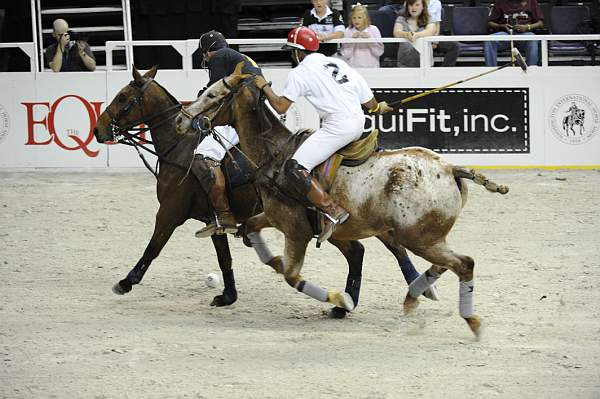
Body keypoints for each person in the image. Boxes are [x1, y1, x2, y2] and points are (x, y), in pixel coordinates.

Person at [254, 27, 393, 244]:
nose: (293, 55)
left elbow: (281, 107)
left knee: (294, 167)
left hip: (339, 128)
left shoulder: (299, 73)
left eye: (293, 51)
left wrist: (265, 88)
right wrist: (377, 108)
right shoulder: (338, 63)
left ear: (298, 52)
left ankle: (333, 210)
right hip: (360, 123)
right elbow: (369, 101)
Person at [193, 30, 263, 237]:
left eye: (205, 54)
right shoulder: (239, 57)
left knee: (204, 156)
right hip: (259, 114)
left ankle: (224, 214)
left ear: (208, 52)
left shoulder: (220, 57)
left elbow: (214, 95)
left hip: (241, 119)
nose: (206, 58)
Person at [484, 0, 544, 67]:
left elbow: (540, 23)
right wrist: (500, 26)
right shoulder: (500, 2)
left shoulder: (532, 2)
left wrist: (527, 27)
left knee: (533, 39)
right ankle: (491, 71)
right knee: (489, 40)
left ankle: (531, 71)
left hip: (525, 34)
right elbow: (490, 23)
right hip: (506, 34)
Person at [392, 0, 436, 67]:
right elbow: (396, 32)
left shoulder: (428, 19)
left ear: (423, 7)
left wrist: (417, 35)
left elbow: (431, 31)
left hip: (425, 63)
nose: (413, 8)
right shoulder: (401, 19)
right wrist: (406, 34)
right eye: (411, 5)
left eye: (417, 5)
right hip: (404, 63)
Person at [339, 3, 384, 68]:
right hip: (353, 68)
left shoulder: (374, 29)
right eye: (354, 18)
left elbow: (379, 52)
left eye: (359, 17)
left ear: (365, 18)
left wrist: (369, 40)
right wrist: (352, 41)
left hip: (372, 67)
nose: (356, 20)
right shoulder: (348, 31)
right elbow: (346, 54)